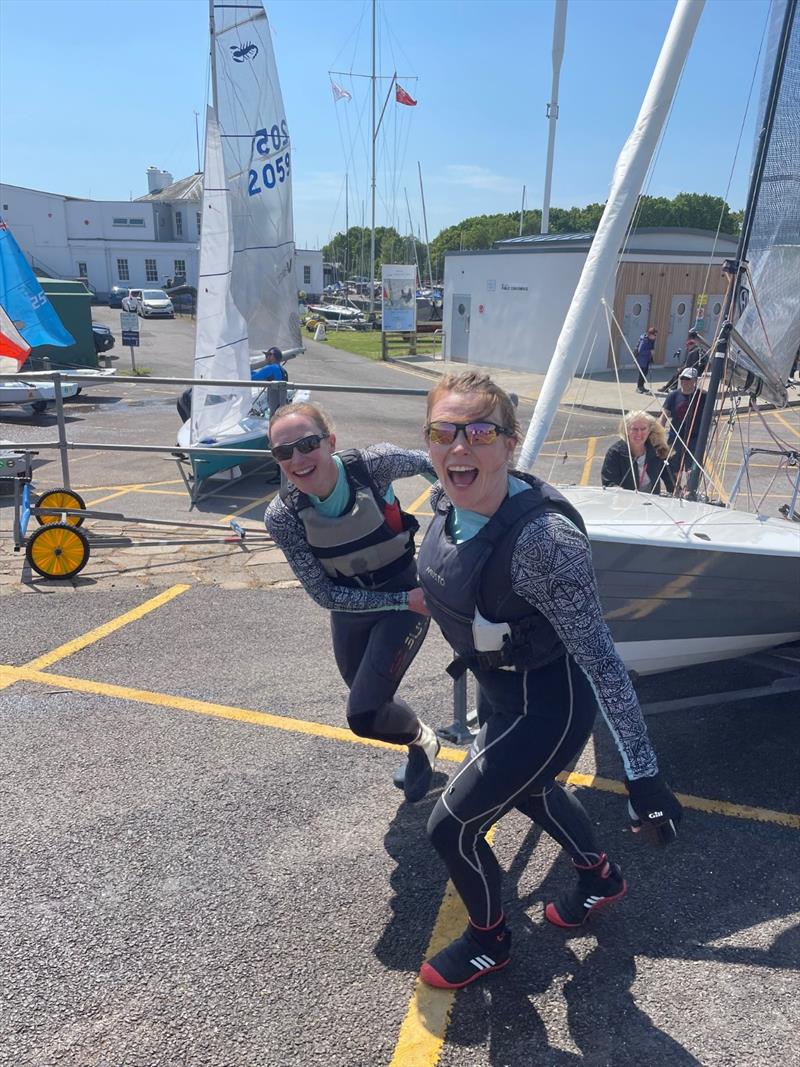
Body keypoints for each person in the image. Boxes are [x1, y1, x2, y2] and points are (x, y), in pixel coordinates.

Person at [414, 371, 682, 990]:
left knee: (450, 827)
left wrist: (643, 777)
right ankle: (601, 877)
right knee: (532, 792)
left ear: (510, 445)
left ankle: (490, 942)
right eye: (443, 433)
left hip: (549, 708)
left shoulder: (544, 541)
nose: (460, 447)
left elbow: (604, 661)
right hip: (500, 693)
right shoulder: (444, 504)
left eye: (479, 432)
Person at [264, 401, 440, 803]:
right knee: (370, 698)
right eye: (283, 452)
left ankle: (425, 744)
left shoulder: (373, 465)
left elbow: (434, 462)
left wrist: (450, 513)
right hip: (358, 607)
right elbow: (323, 594)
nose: (298, 459)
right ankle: (422, 742)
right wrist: (400, 601)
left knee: (362, 714)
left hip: (403, 592)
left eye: (308, 444)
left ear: (331, 442)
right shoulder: (283, 516)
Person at [601, 411, 675, 495]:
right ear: (626, 430)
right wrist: (618, 491)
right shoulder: (615, 453)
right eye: (635, 429)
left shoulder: (657, 450)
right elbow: (609, 482)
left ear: (649, 430)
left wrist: (677, 492)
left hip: (651, 504)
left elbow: (670, 479)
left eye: (643, 429)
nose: (639, 433)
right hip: (624, 503)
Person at [660, 367, 707, 477]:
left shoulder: (703, 396)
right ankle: (677, 489)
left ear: (695, 380)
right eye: (682, 378)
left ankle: (688, 490)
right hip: (676, 437)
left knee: (692, 468)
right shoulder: (673, 396)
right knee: (673, 466)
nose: (684, 382)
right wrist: (659, 436)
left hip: (695, 439)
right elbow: (663, 417)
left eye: (688, 379)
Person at [634, 327, 657, 393]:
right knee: (642, 374)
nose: (655, 336)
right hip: (642, 360)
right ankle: (638, 387)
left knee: (645, 373)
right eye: (654, 335)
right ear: (650, 334)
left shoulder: (651, 340)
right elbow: (640, 351)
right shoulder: (644, 340)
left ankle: (642, 386)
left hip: (646, 359)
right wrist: (650, 351)